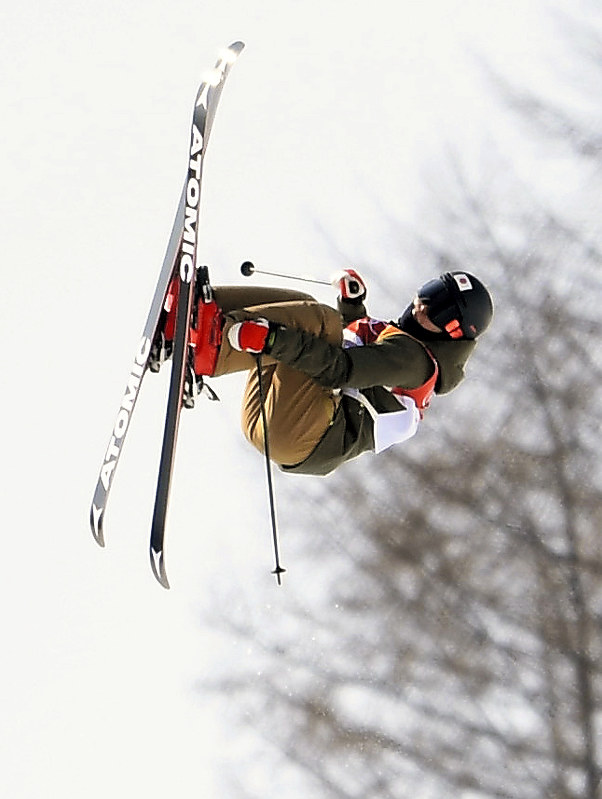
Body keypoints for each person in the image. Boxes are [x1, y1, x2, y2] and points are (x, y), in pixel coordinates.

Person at [156, 269, 493, 476]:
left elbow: (340, 369)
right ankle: (192, 316)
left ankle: (209, 347)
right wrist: (352, 306)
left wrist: (271, 339)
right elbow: (349, 350)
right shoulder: (401, 347)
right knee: (302, 304)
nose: (422, 304)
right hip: (283, 428)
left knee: (317, 322)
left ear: (451, 329)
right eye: (429, 291)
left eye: (438, 306)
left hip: (303, 435)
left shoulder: (416, 362)